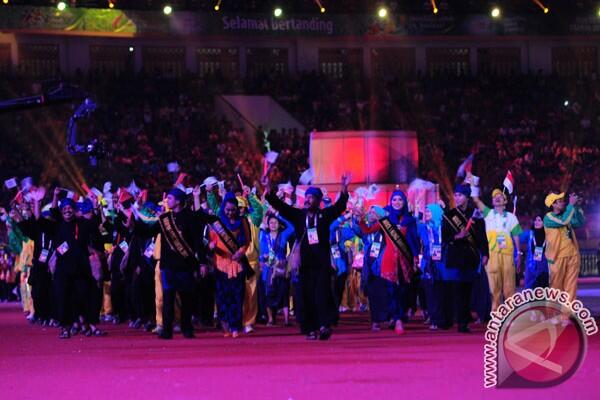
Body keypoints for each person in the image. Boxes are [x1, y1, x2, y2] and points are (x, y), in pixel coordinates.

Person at [266, 175, 350, 340]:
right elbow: (280, 206)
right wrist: (269, 189)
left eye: (312, 197)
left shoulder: (324, 216)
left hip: (322, 263)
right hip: (304, 264)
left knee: (322, 294)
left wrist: (344, 187)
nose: (308, 199)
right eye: (307, 197)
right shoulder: (298, 215)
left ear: (318, 201)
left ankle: (324, 326)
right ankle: (310, 329)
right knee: (306, 296)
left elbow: (340, 206)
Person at [133, 188, 214, 339]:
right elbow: (147, 232)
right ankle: (167, 330)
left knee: (186, 299)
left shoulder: (190, 217)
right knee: (168, 298)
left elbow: (197, 241)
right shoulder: (165, 219)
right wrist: (136, 220)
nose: (167, 201)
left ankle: (187, 328)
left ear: (178, 201)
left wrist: (202, 263)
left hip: (185, 265)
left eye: (170, 198)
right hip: (168, 265)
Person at [440, 184, 488, 333]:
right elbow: (445, 237)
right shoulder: (449, 216)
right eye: (455, 195)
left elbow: (482, 237)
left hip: (470, 256)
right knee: (455, 289)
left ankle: (464, 321)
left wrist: (485, 253)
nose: (457, 197)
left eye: (460, 195)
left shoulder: (476, 215)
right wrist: (456, 236)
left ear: (467, 197)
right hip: (455, 256)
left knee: (467, 290)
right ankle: (454, 320)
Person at [208, 192, 251, 338]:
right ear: (223, 209)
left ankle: (236, 327)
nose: (230, 213)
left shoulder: (243, 221)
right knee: (222, 297)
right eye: (227, 210)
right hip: (221, 264)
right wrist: (212, 246)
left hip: (237, 264)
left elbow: (247, 240)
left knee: (237, 296)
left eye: (233, 210)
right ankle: (225, 324)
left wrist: (241, 251)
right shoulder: (216, 223)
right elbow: (210, 241)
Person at [472, 188, 522, 312]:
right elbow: (476, 200)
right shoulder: (488, 213)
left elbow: (516, 235)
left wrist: (519, 254)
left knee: (509, 286)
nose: (497, 198)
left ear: (505, 201)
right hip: (492, 254)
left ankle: (510, 313)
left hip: (507, 254)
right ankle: (496, 314)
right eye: (494, 196)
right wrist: (473, 184)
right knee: (493, 287)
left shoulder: (511, 217)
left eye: (500, 196)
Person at [543, 192, 585, 304]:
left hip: (572, 255)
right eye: (559, 201)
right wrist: (571, 205)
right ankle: (553, 314)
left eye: (562, 200)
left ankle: (567, 316)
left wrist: (577, 206)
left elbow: (580, 222)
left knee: (571, 287)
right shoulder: (548, 218)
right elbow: (563, 221)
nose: (563, 202)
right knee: (556, 287)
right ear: (553, 204)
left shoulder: (567, 214)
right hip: (557, 258)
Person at [259, 213, 294, 326]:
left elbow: (292, 227)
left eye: (276, 222)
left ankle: (286, 320)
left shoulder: (283, 235)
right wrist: (263, 257)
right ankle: (270, 319)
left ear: (279, 224)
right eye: (271, 222)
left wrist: (279, 215)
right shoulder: (264, 236)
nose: (273, 224)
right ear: (268, 225)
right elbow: (260, 252)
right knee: (269, 294)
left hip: (281, 268)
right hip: (268, 269)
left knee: (284, 292)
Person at [417, 203, 445, 330]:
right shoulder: (423, 228)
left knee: (441, 291)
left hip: (442, 262)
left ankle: (442, 318)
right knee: (430, 291)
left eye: (429, 212)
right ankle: (433, 318)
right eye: (426, 212)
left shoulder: (444, 227)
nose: (427, 214)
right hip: (428, 262)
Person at [525, 215, 549, 289]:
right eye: (535, 220)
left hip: (545, 267)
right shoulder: (530, 234)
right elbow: (517, 236)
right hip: (532, 267)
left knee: (544, 292)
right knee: (531, 292)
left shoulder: (549, 235)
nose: (536, 222)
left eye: (539, 220)